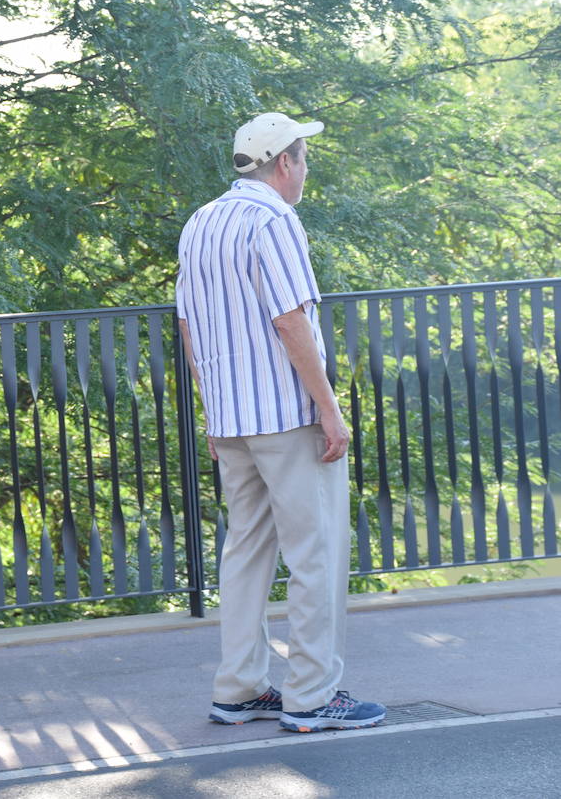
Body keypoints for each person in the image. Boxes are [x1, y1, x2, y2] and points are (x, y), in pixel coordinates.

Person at [175, 112, 384, 733]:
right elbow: (291, 320)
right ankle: (314, 696)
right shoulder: (273, 219)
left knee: (245, 552)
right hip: (285, 416)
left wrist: (213, 410)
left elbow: (188, 323)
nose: (305, 170)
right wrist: (328, 406)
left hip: (233, 420)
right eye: (304, 158)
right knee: (316, 551)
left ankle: (238, 689)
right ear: (284, 163)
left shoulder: (201, 221)